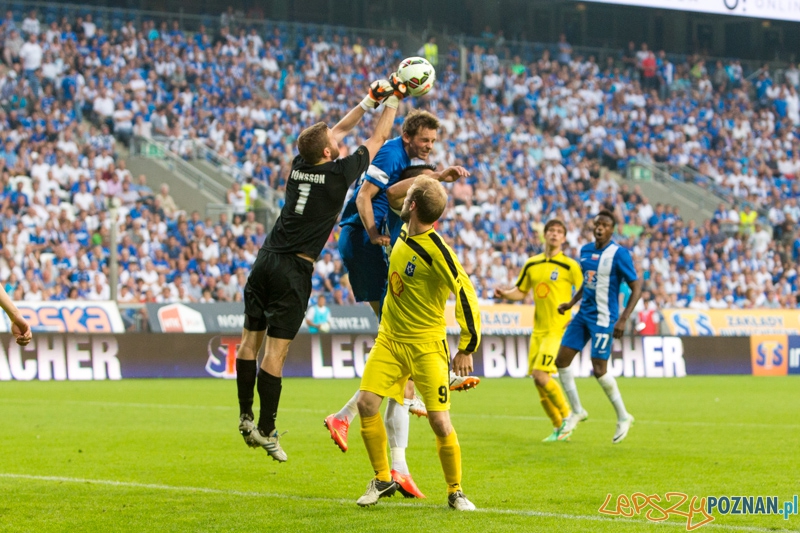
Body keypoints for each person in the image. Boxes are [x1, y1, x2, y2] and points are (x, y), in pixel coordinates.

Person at [234, 78, 403, 462]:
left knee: (249, 343)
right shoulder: (339, 174)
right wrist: (393, 99)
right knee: (275, 353)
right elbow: (376, 141)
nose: (339, 137)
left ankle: (245, 416)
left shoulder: (300, 165)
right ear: (328, 151)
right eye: (333, 140)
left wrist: (368, 100)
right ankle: (267, 428)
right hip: (294, 270)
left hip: (265, 259)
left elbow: (339, 130)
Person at [324, 164, 472, 499]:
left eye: (409, 198)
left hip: (426, 345)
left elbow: (465, 292)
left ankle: (455, 491)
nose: (400, 199)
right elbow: (391, 193)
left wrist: (467, 346)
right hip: (390, 340)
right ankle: (381, 478)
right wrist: (434, 178)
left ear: (414, 205)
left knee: (440, 422)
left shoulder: (439, 252)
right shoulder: (403, 229)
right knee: (366, 403)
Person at [555, 210, 642, 443]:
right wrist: (572, 303)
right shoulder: (585, 251)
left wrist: (623, 319)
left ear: (612, 230)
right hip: (583, 315)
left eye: (605, 225)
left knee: (599, 369)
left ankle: (624, 416)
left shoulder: (619, 254)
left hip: (604, 318)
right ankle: (577, 410)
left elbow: (637, 286)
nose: (600, 228)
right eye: (597, 224)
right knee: (561, 360)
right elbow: (589, 281)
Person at [493, 219, 583, 442]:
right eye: (551, 230)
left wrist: (575, 316)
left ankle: (568, 418)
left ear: (563, 238)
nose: (554, 234)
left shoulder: (570, 266)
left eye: (559, 232)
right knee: (537, 379)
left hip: (557, 329)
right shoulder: (532, 264)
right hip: (538, 330)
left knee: (542, 376)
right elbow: (521, 292)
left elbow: (585, 292)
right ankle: (559, 428)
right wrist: (505, 294)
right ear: (545, 235)